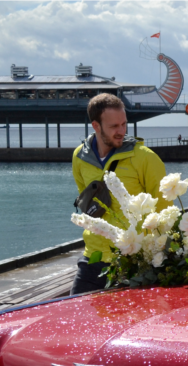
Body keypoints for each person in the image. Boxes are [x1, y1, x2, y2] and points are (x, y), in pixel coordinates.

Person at [72, 93, 170, 295]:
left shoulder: (145, 158)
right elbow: (86, 202)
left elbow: (164, 212)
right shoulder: (79, 157)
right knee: (77, 320)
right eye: (114, 126)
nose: (121, 131)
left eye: (124, 124)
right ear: (96, 126)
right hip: (94, 257)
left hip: (134, 260)